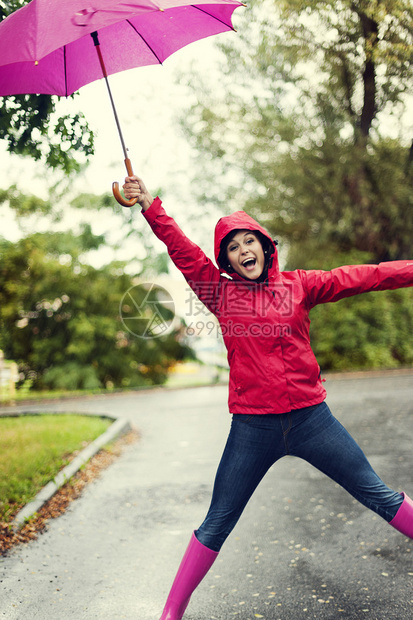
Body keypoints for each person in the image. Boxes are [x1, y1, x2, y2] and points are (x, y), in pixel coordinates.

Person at [123, 175, 413, 620]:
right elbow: (181, 248)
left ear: (264, 245)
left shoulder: (299, 285)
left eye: (249, 241)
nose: (243, 251)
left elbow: (362, 276)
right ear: (228, 260)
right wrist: (149, 206)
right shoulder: (218, 292)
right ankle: (170, 613)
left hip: (312, 421)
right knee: (217, 521)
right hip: (253, 428)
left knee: (379, 494)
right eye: (233, 247)